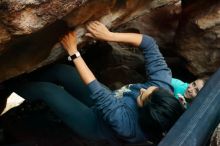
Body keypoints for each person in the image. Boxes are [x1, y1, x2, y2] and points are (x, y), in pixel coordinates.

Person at [9, 21, 186, 144]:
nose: (142, 90)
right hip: (110, 99)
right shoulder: (163, 86)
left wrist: (74, 52)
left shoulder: (128, 126)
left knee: (46, 90)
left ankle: (10, 92)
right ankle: (26, 90)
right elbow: (149, 44)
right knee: (61, 71)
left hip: (95, 124)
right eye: (149, 90)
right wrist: (108, 35)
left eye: (142, 97)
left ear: (143, 115)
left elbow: (98, 92)